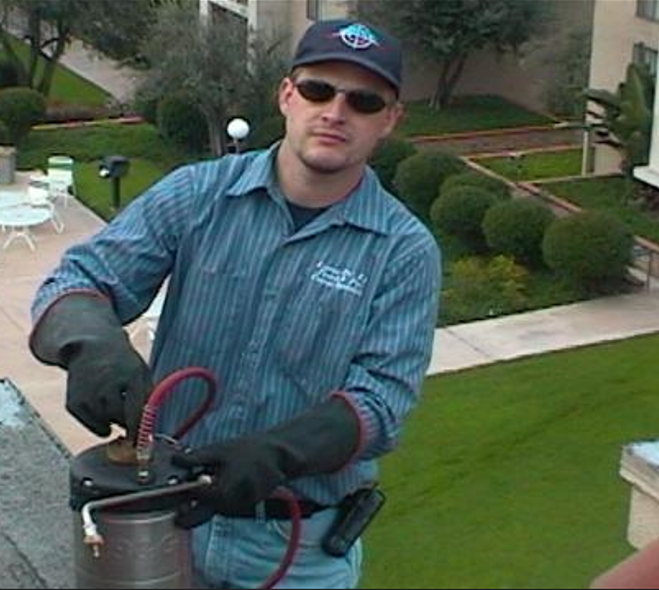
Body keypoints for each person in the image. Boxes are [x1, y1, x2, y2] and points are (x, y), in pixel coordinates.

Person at [30, 18, 440, 589]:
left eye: (364, 101)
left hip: (298, 550)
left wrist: (281, 452)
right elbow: (79, 278)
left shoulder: (404, 252)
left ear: (389, 121)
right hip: (165, 520)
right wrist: (90, 344)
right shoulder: (198, 194)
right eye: (319, 90)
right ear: (287, 95)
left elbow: (383, 400)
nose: (335, 112)